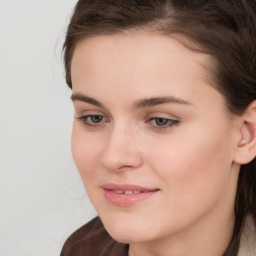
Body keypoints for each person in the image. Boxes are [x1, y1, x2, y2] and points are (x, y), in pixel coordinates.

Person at [60, 0, 256, 255]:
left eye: (161, 121)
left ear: (246, 134)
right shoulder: (82, 249)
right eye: (94, 118)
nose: (113, 157)